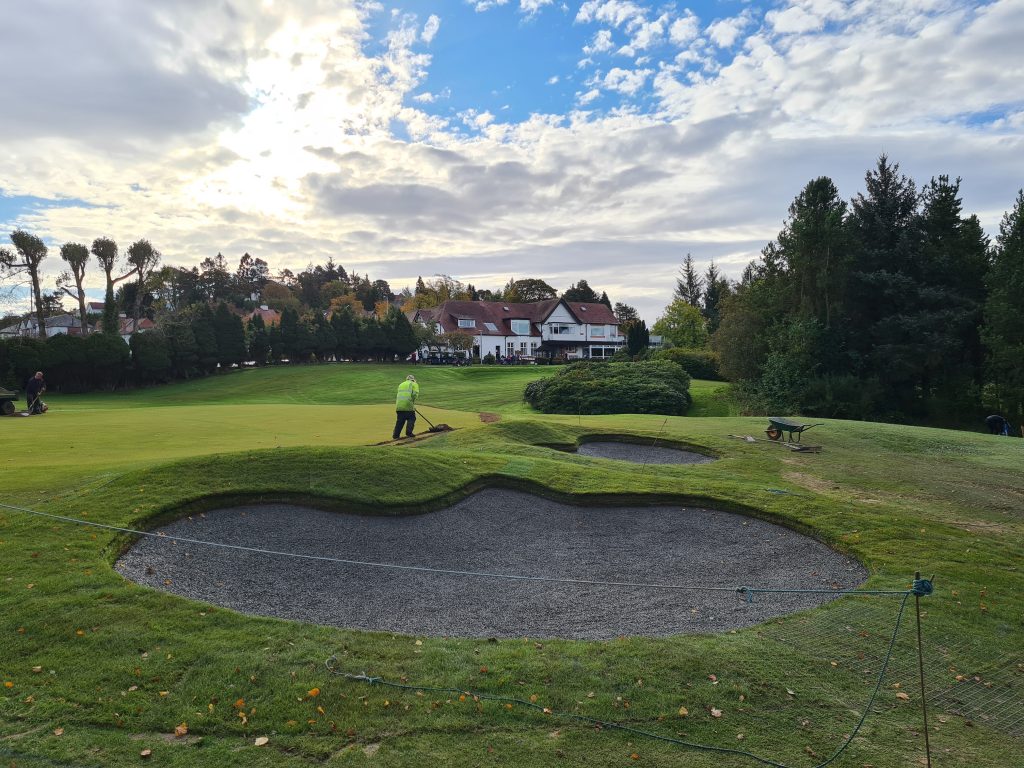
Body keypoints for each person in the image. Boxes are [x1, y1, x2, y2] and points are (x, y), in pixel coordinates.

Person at [393, 374, 419, 439]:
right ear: (413, 379)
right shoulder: (414, 384)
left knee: (400, 421)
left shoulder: (401, 384)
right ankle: (409, 432)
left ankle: (395, 435)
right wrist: (412, 403)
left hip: (399, 406)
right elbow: (414, 394)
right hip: (408, 405)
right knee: (412, 418)